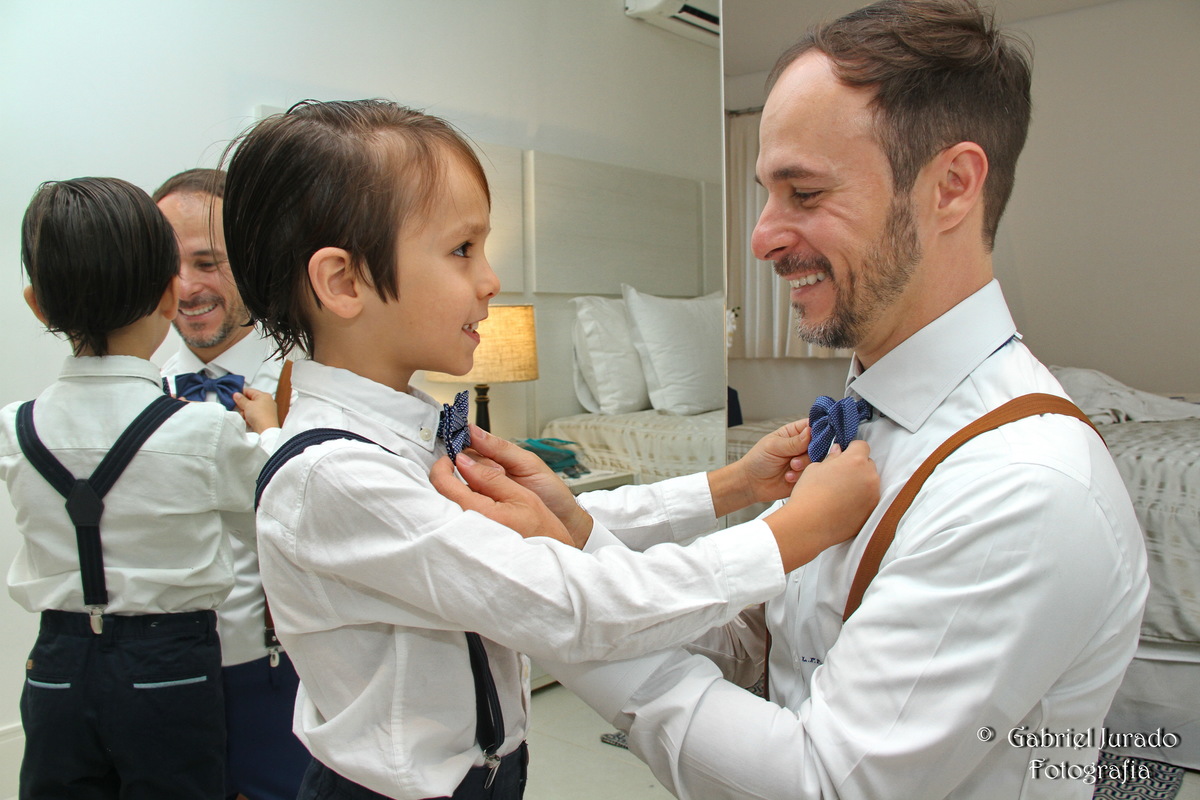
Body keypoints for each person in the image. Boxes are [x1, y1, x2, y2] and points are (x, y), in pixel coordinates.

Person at [449, 2, 1149, 798]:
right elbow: (769, 648)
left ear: (951, 187)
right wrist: (573, 544)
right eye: (766, 193)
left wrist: (552, 611)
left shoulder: (1021, 487)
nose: (761, 237)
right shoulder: (861, 422)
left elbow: (822, 783)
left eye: (805, 192)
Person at [222, 98, 879, 800]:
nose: (491, 278)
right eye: (462, 249)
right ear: (344, 281)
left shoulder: (406, 426)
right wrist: (789, 535)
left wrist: (736, 487)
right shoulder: (335, 475)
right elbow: (575, 605)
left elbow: (556, 526)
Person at [0, 177, 278, 798]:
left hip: (56, 665)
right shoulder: (204, 430)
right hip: (169, 664)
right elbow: (272, 506)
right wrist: (269, 437)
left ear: (36, 304)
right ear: (165, 294)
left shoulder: (14, 427)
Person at [154, 168, 311, 800]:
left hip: (286, 675)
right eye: (169, 264)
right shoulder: (138, 392)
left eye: (208, 263)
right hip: (164, 680)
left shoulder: (313, 383)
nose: (186, 288)